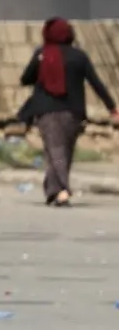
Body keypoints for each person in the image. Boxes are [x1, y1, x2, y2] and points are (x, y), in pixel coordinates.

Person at [19, 18, 117, 207]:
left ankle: (62, 190)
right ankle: (53, 190)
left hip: (47, 111)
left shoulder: (42, 54)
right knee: (63, 151)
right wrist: (111, 106)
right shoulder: (79, 56)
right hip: (73, 112)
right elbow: (96, 82)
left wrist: (42, 69)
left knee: (55, 150)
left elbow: (25, 79)